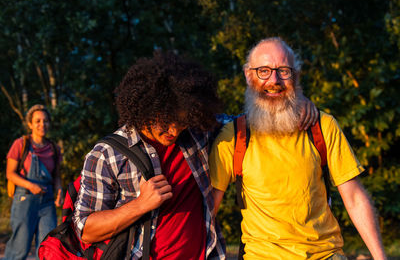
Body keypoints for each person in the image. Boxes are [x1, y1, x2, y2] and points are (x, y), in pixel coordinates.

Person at [72, 51, 317, 259]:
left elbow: (254, 123)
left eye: (182, 122)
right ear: (145, 108)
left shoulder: (198, 133)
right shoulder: (107, 154)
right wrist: (140, 205)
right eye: (167, 122)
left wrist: (293, 100)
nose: (175, 131)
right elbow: (86, 230)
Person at [209, 37, 387, 260]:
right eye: (263, 71)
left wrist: (381, 257)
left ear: (296, 75)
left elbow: (354, 197)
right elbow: (209, 209)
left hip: (326, 255)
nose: (274, 80)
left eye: (284, 71)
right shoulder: (233, 136)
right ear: (248, 75)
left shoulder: (322, 126)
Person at [5, 104, 63, 260]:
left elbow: (56, 176)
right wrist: (31, 185)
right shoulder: (21, 144)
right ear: (30, 124)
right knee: (20, 249)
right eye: (37, 121)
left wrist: (59, 192)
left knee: (47, 248)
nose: (42, 124)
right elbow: (10, 173)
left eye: (45, 121)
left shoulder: (54, 148)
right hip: (25, 199)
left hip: (47, 202)